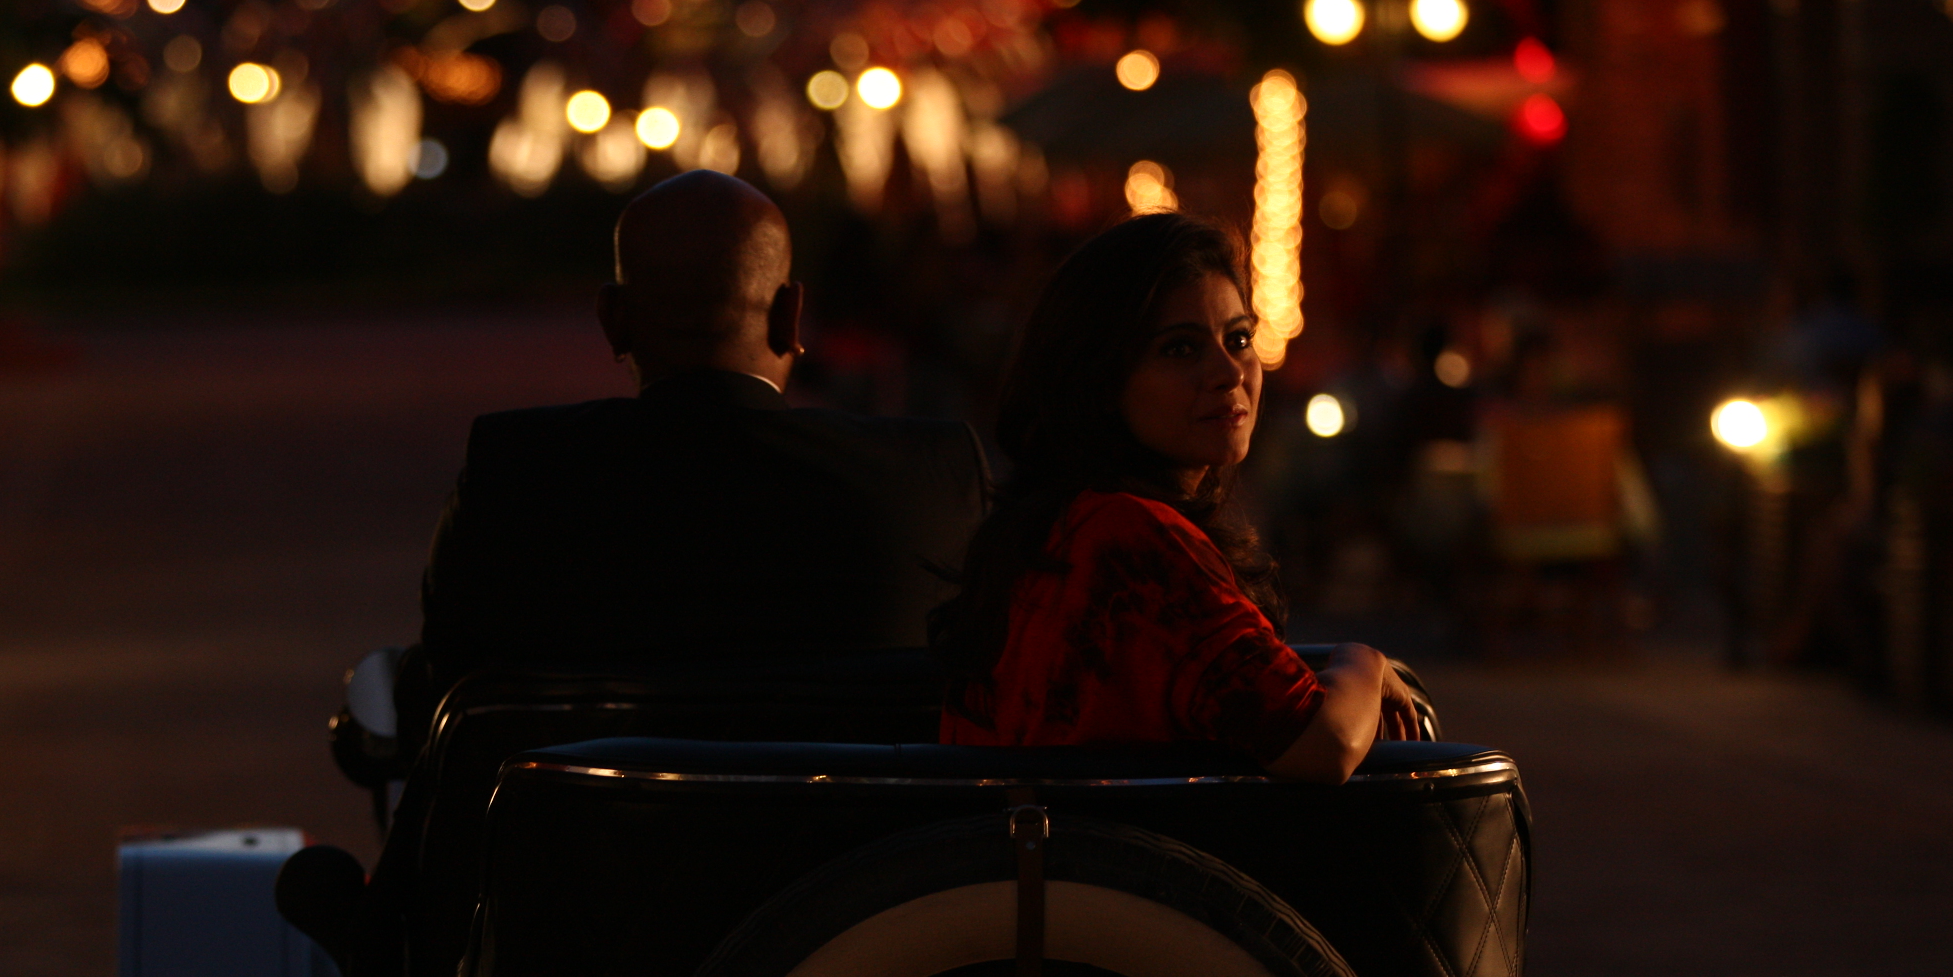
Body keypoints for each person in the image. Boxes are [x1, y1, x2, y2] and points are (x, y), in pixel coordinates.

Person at [415, 169, 988, 701]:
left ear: (613, 320)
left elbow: (448, 676)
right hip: (850, 813)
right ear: (790, 316)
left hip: (580, 810)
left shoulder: (517, 472)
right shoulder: (932, 475)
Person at [933, 213, 1417, 780]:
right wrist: (1362, 661)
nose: (1227, 372)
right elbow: (1323, 742)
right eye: (1181, 350)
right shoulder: (1129, 539)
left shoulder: (1067, 524)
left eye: (1238, 339)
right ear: (1101, 381)